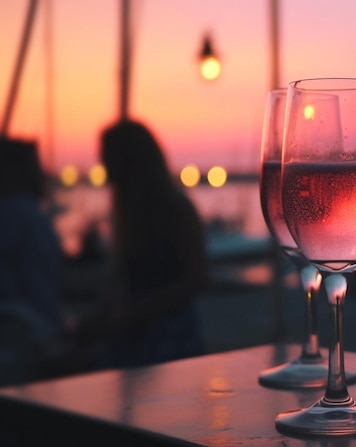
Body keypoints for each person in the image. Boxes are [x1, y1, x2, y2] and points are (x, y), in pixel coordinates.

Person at [73, 120, 209, 369]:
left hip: (169, 338)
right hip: (134, 333)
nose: (103, 164)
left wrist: (134, 315)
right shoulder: (128, 213)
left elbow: (195, 278)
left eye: (107, 156)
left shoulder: (175, 208)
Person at [0, 138, 65, 385]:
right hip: (28, 341)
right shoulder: (26, 215)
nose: (42, 173)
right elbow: (41, 286)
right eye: (35, 165)